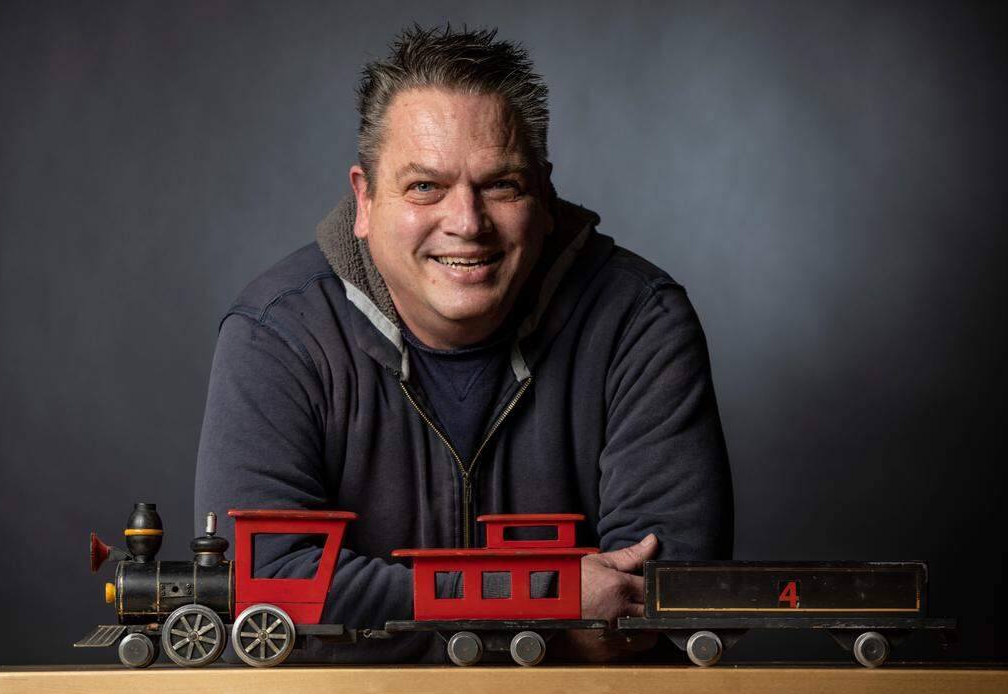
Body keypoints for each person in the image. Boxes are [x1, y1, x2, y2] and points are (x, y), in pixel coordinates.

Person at [194, 25, 732, 663]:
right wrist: (543, 598)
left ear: (544, 194)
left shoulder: (639, 321)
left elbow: (654, 605)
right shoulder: (276, 332)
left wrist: (391, 610)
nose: (467, 223)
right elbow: (266, 593)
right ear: (364, 200)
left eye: (501, 185)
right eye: (425, 186)